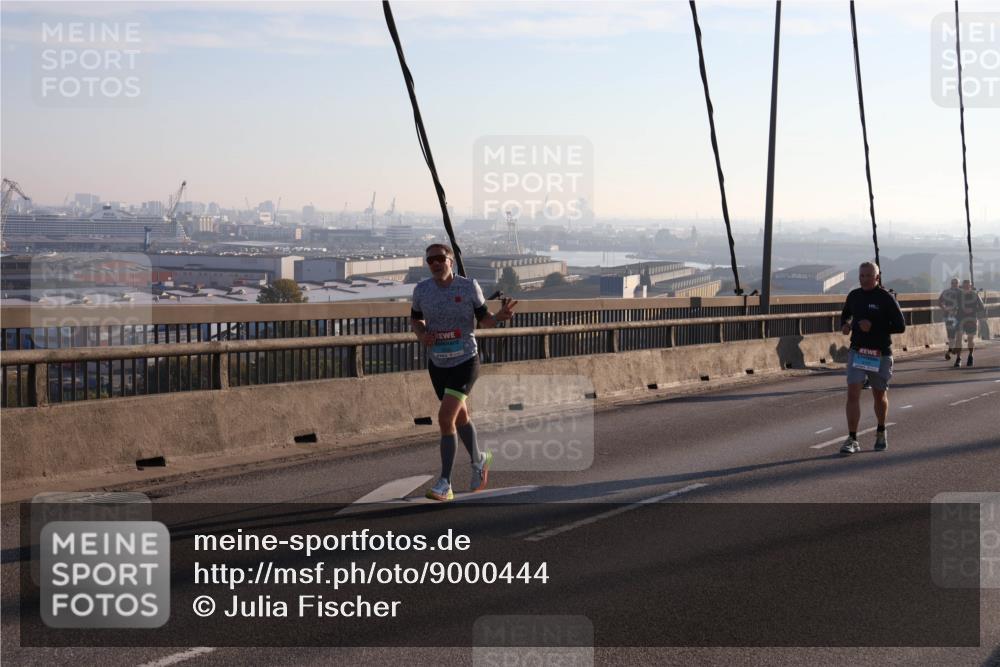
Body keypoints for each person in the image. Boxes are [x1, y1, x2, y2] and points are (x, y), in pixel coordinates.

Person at [410, 243, 518, 501]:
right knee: (460, 418)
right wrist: (422, 333)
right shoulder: (422, 290)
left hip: (466, 361)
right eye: (430, 260)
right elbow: (415, 319)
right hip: (438, 363)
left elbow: (485, 319)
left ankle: (444, 483)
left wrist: (499, 317)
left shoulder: (468, 286)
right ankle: (480, 460)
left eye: (440, 259)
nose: (435, 264)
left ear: (451, 262)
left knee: (446, 418)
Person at [839, 262, 906, 456]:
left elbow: (900, 326)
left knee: (879, 395)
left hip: (880, 354)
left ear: (877, 277)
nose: (865, 279)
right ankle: (852, 438)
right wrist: (845, 325)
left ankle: (881, 430)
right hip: (858, 351)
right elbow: (845, 315)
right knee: (853, 393)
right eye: (862, 275)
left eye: (869, 275)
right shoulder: (854, 296)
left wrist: (875, 327)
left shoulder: (886, 298)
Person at [951, 279, 986, 368]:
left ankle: (970, 355)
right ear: (962, 286)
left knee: (970, 340)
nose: (966, 287)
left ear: (970, 286)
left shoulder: (975, 294)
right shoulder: (958, 295)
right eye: (965, 285)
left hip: (971, 319)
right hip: (960, 318)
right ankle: (958, 359)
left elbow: (982, 307)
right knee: (958, 338)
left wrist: (972, 310)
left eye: (968, 285)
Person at [938, 278, 961, 361]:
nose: (954, 284)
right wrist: (944, 308)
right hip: (949, 316)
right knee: (951, 335)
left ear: (958, 284)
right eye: (953, 283)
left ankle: (952, 352)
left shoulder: (961, 292)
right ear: (951, 283)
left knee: (958, 335)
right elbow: (939, 301)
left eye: (956, 283)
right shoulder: (946, 292)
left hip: (959, 317)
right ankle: (950, 350)